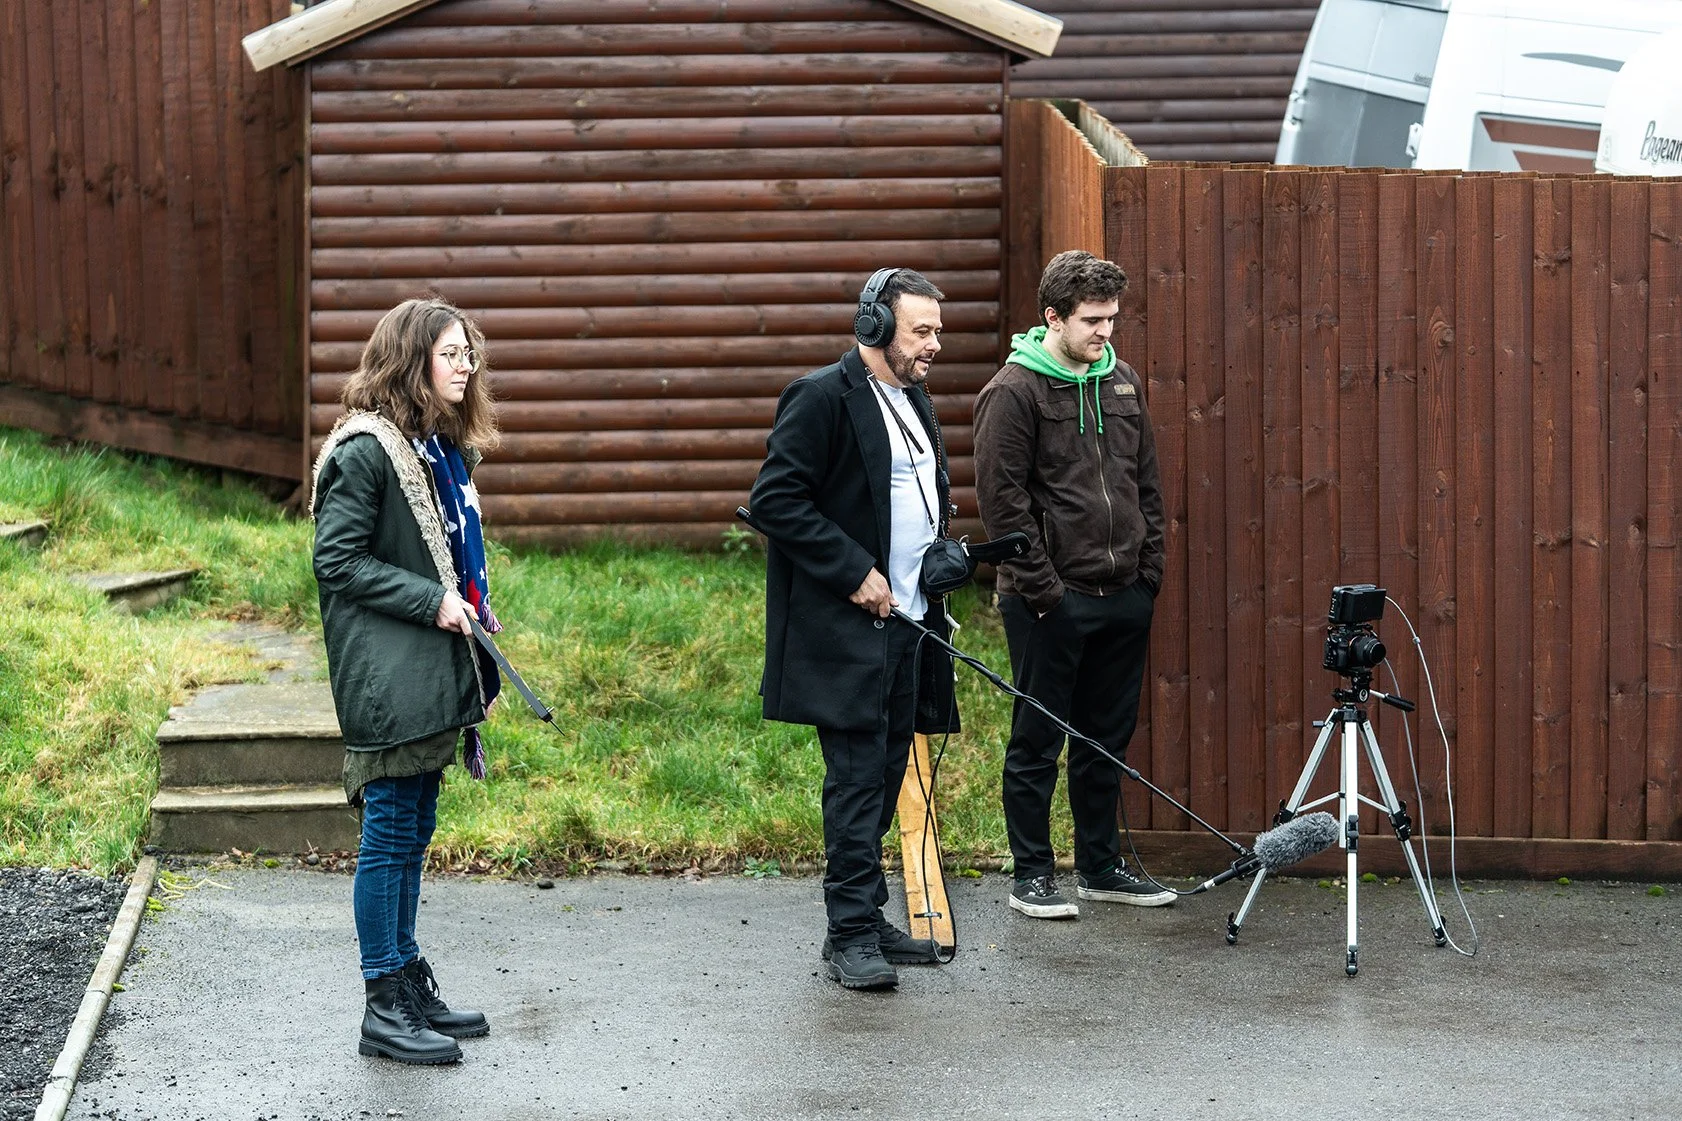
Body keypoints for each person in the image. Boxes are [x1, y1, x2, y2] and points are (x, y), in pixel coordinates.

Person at [748, 268, 961, 990]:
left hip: (910, 625)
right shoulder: (821, 397)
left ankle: (867, 916)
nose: (934, 344)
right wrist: (853, 569)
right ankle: (847, 936)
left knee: (888, 767)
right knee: (853, 778)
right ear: (874, 326)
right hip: (846, 630)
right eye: (921, 331)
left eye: (937, 330)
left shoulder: (915, 399)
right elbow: (775, 500)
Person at [311, 297, 503, 1063]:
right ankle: (381, 1002)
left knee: (413, 830)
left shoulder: (429, 448)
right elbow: (337, 560)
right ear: (411, 359)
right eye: (452, 354)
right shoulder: (366, 449)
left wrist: (463, 610)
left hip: (427, 668)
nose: (466, 367)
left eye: (470, 355)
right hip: (388, 676)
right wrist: (434, 601)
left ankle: (406, 977)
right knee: (389, 835)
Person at [972, 250, 1171, 920]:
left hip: (1125, 595)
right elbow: (1002, 505)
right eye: (1091, 319)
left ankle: (1100, 867)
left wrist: (1149, 574)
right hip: (1049, 602)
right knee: (1037, 739)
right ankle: (1032, 874)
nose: (1105, 332)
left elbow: (1146, 486)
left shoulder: (1124, 384)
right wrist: (1045, 592)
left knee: (1102, 741)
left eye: (1112, 319)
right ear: (1052, 316)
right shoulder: (1014, 392)